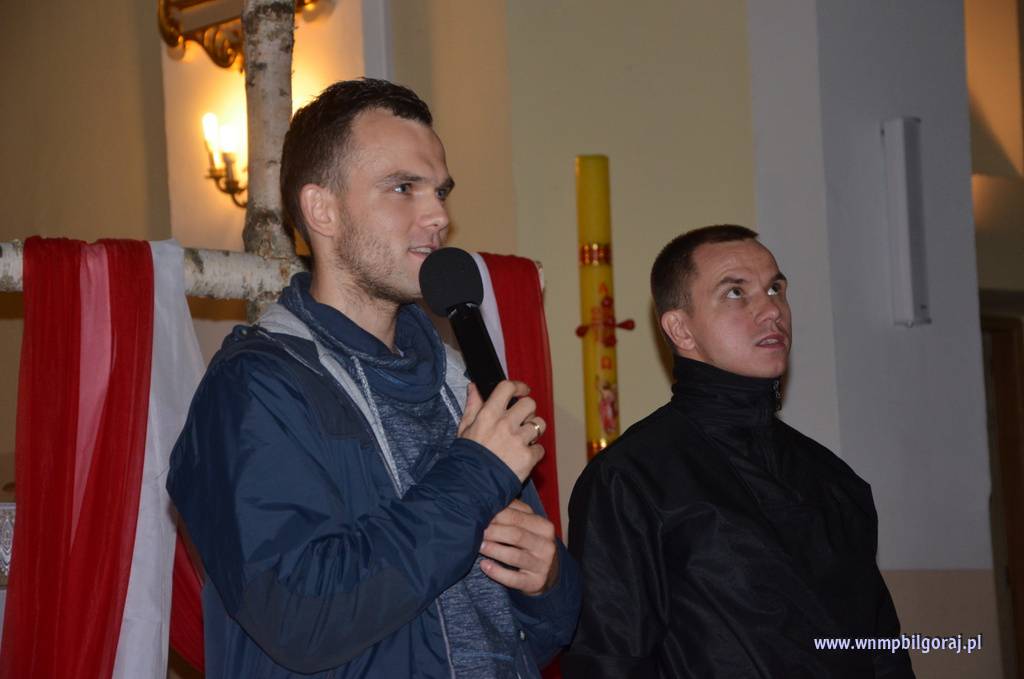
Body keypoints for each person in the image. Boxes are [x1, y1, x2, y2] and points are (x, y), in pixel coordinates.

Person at [167, 78, 580, 678]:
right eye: (403, 188)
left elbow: (519, 634)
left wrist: (548, 583)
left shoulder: (458, 378)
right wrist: (475, 475)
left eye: (440, 191)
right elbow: (301, 618)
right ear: (323, 210)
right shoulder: (254, 388)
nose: (438, 216)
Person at [563, 225, 914, 678]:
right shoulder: (631, 479)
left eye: (775, 289)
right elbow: (610, 660)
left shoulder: (834, 479)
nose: (771, 310)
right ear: (681, 329)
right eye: (735, 293)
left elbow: (882, 651)